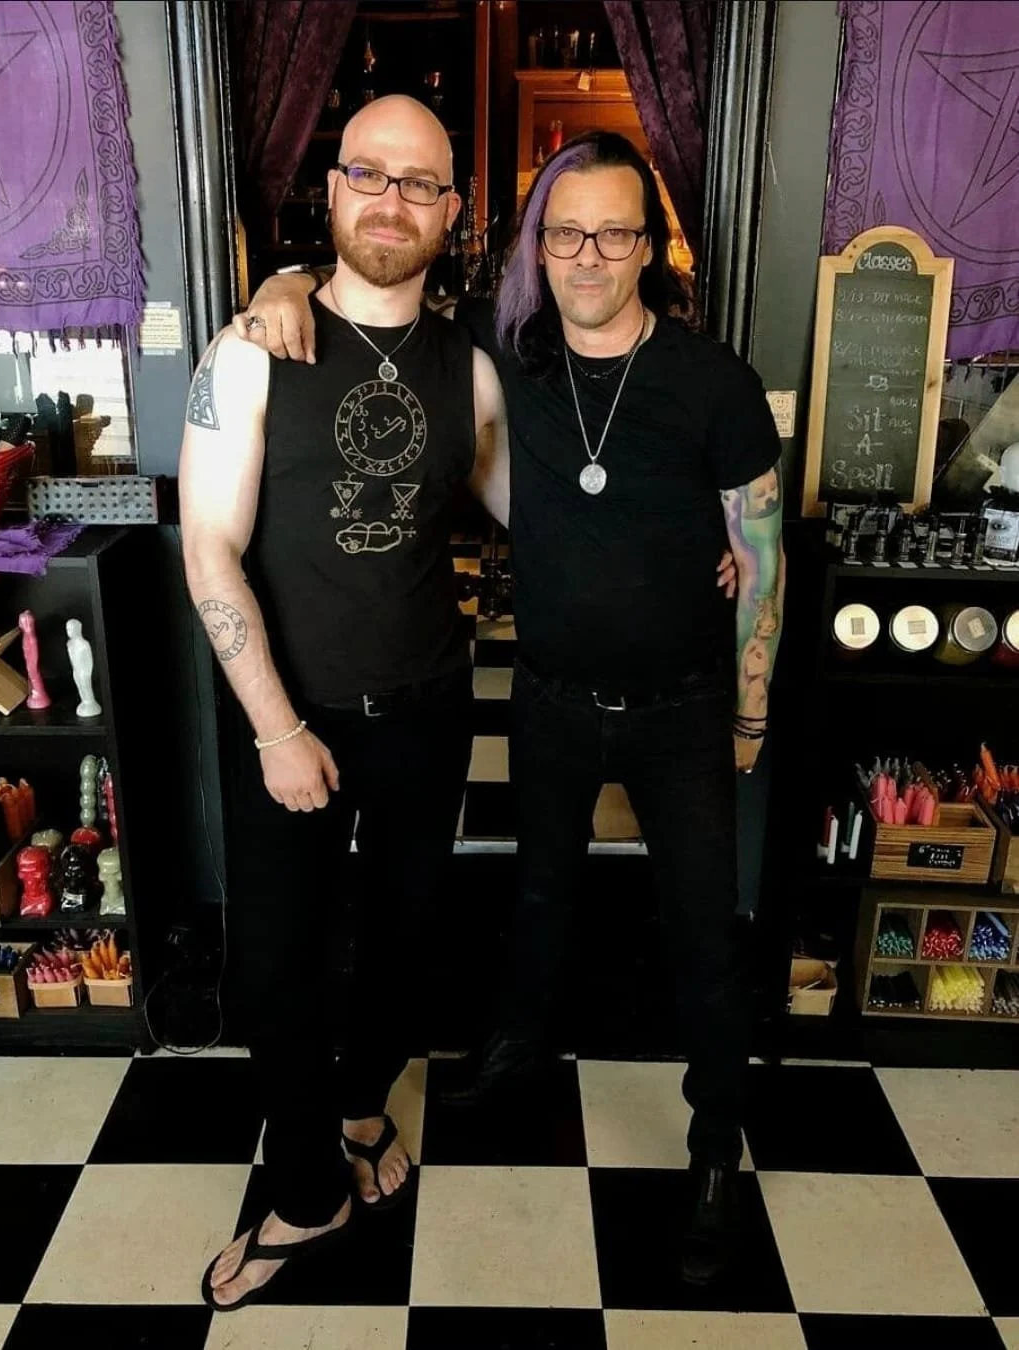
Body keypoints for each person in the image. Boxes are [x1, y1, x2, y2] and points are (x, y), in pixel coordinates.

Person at [238, 130, 783, 1286]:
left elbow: (762, 558)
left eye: (614, 231)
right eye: (564, 230)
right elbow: (368, 281)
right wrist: (276, 283)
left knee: (700, 933)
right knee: (537, 895)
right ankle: (515, 1053)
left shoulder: (713, 380)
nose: (587, 255)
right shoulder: (499, 347)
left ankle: (712, 1144)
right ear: (538, 241)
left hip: (685, 708)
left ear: (649, 245)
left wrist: (747, 713)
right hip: (547, 696)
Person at [178, 94, 508, 1311]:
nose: (391, 199)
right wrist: (275, 728)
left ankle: (365, 1110)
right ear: (330, 192)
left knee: (407, 937)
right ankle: (304, 1187)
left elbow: (537, 513)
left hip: (425, 703)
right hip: (287, 713)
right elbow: (208, 549)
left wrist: (701, 550)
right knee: (276, 963)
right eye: (368, 174)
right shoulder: (250, 347)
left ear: (452, 215)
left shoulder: (469, 364)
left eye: (420, 183)